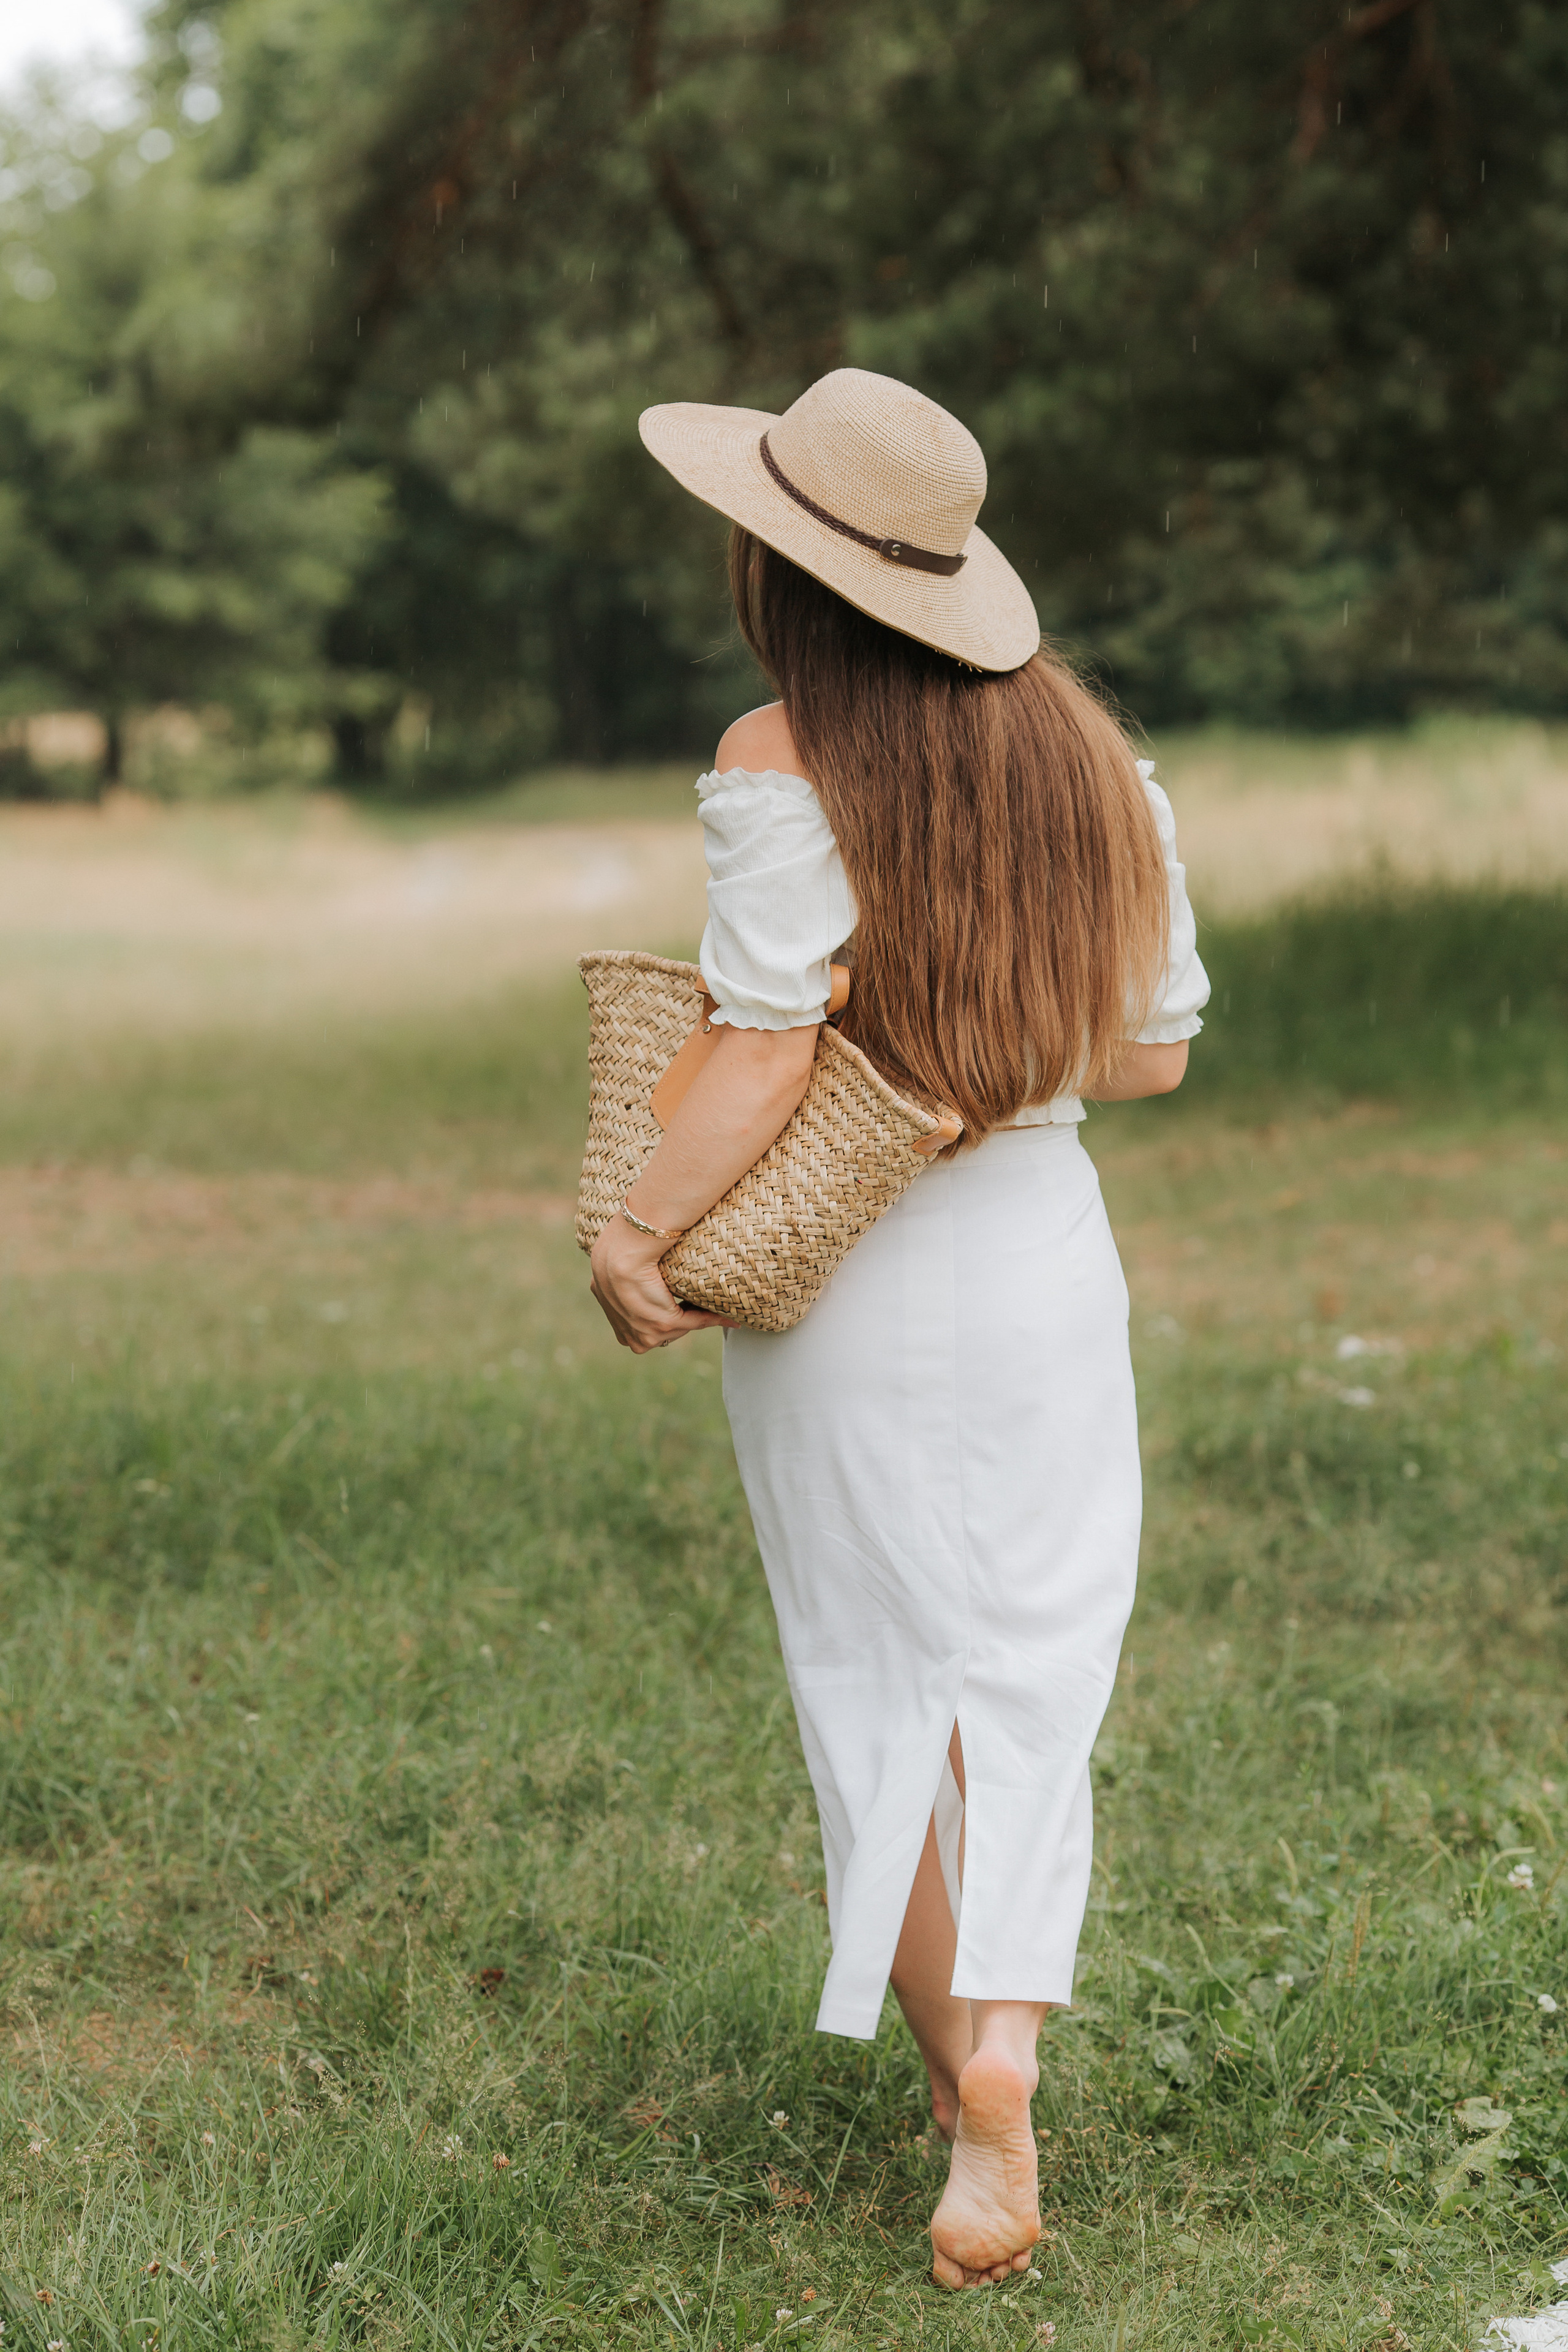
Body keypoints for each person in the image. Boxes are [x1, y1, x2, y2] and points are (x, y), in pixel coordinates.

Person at [589, 369, 1208, 2289]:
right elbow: (1154, 1051)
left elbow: (764, 1045)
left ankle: (968, 2098)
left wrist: (640, 1226)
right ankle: (1007, 2059)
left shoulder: (781, 751)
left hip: (853, 1268)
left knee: (877, 1671)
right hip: (1036, 1245)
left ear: (781, 566)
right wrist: (977, 1053)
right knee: (1026, 1667)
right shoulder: (1092, 760)